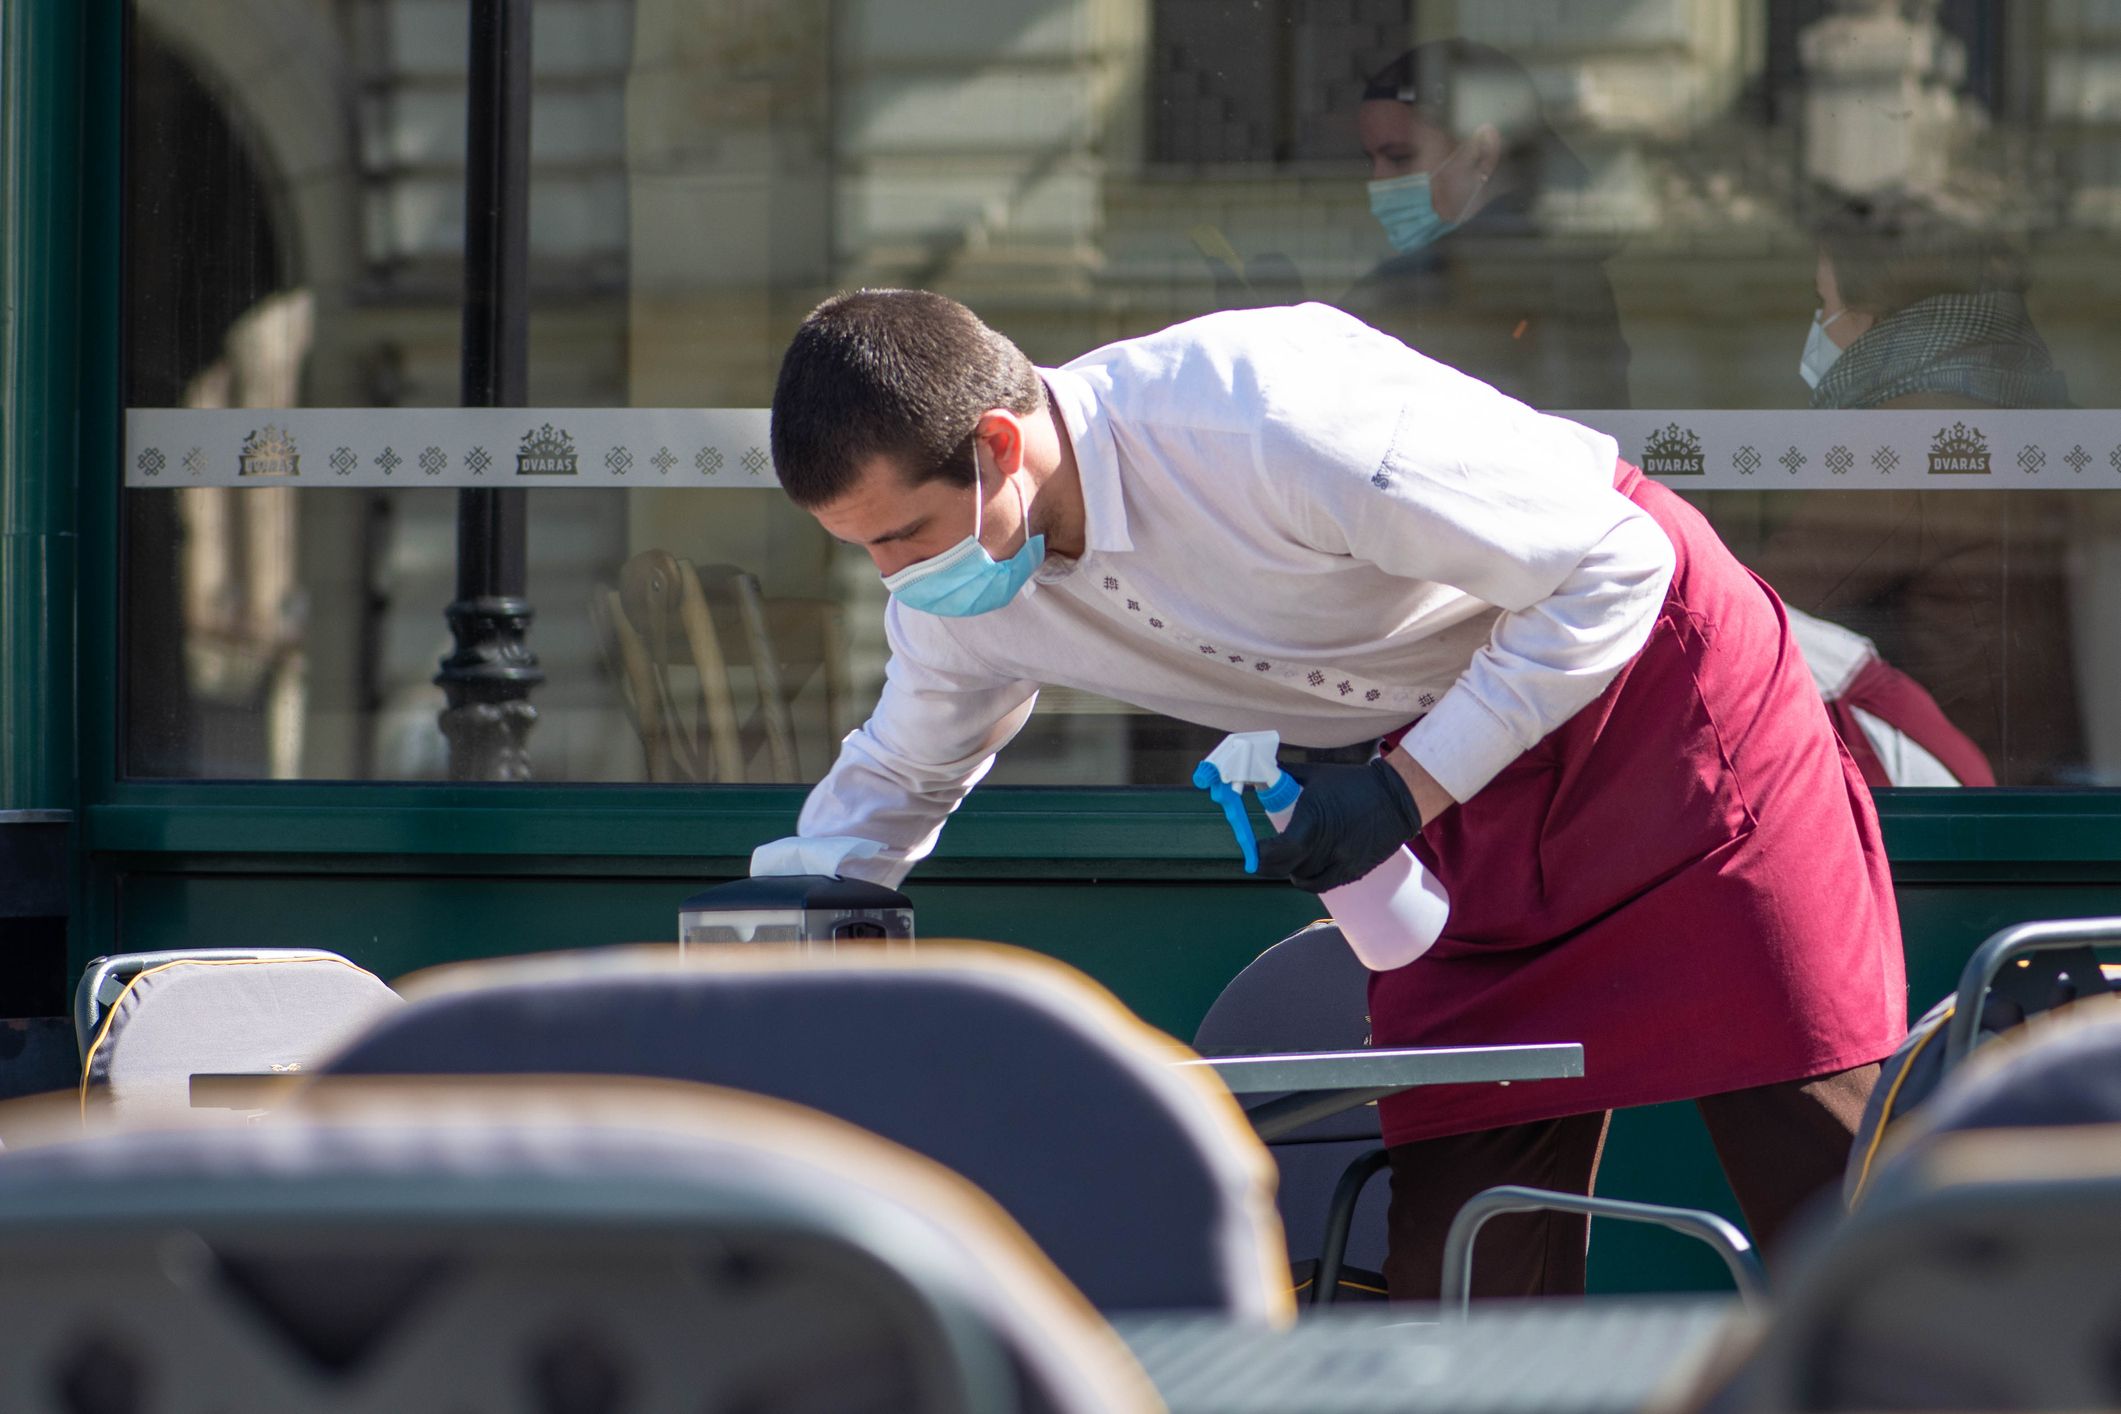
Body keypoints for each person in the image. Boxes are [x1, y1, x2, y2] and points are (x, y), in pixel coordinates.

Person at [752, 289, 1906, 1299]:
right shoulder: (962, 602)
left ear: (999, 444)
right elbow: (897, 780)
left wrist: (1403, 788)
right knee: (1464, 1264)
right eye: (865, 551)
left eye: (905, 534)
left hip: (1659, 702)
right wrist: (782, 935)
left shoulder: (1261, 414)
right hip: (1454, 784)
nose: (895, 578)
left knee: (1827, 1191)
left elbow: (1615, 565)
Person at [1749, 193, 2080, 783]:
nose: (1816, 329)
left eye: (1820, 306)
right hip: (2029, 772)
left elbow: (1759, 608)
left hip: (1949, 795)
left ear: (1870, 315)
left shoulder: (1909, 435)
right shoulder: (2008, 393)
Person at [1339, 40, 1632, 410]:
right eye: (1372, 160)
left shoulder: (1510, 275)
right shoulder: (1416, 277)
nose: (1378, 181)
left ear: (1480, 154)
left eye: (1399, 157)